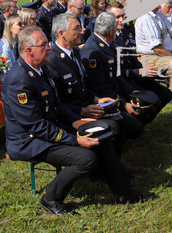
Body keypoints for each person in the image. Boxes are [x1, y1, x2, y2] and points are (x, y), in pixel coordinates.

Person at [3, 27, 155, 215]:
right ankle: (51, 198)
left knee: (102, 134)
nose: (49, 47)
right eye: (44, 45)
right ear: (29, 50)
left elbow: (57, 105)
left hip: (49, 128)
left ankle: (125, 192)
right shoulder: (19, 81)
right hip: (29, 140)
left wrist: (77, 121)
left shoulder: (40, 68)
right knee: (86, 159)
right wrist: (75, 140)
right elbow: (35, 126)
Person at [46, 13, 144, 150]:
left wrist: (97, 100)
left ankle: (113, 156)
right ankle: (105, 159)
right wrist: (81, 111)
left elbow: (83, 86)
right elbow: (56, 103)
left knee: (127, 122)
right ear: (61, 33)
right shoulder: (52, 61)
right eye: (76, 28)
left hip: (88, 107)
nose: (82, 31)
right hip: (71, 115)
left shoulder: (74, 51)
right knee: (114, 126)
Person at [81, 10, 170, 125]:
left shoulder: (107, 43)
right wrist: (123, 103)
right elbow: (101, 88)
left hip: (118, 88)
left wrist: (131, 91)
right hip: (105, 98)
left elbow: (117, 74)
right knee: (136, 123)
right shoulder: (93, 51)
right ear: (111, 31)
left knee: (153, 101)